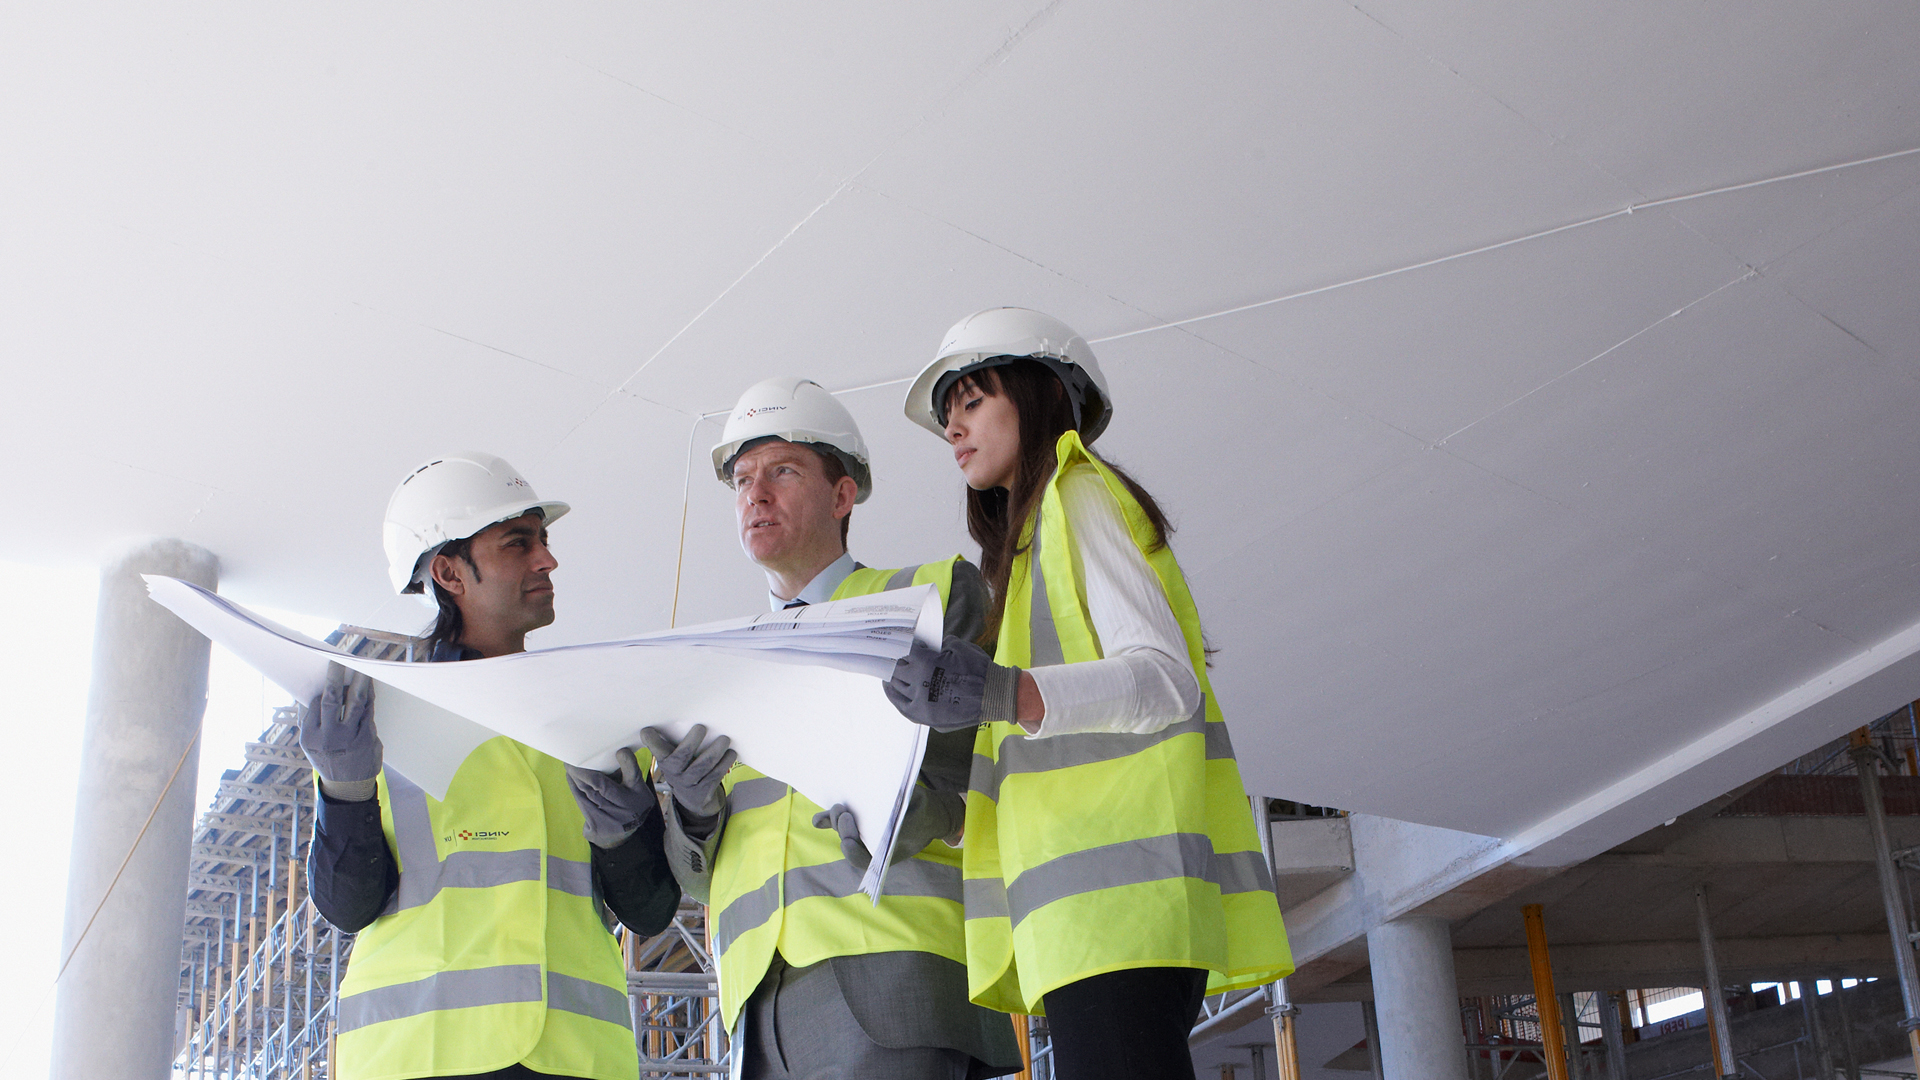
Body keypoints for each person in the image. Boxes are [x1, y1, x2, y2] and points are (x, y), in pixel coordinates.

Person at [889, 309, 1294, 1080]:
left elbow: (1165, 680)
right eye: (947, 416)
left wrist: (1007, 692)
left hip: (1119, 916)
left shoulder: (1076, 495)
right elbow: (1039, 771)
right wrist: (946, 816)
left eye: (971, 400)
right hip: (1091, 923)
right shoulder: (1027, 554)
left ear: (1041, 393)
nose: (953, 429)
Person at [644, 378, 1022, 1080]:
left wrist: (916, 811)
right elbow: (697, 881)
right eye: (743, 480)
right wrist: (692, 816)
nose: (756, 495)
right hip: (757, 1007)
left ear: (843, 496)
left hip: (895, 971)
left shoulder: (929, 598)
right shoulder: (718, 664)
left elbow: (981, 780)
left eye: (783, 472)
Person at [303, 451, 680, 1080]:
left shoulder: (594, 720)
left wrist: (626, 837)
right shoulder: (379, 721)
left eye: (544, 541)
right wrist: (344, 789)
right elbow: (347, 907)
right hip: (421, 1056)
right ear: (449, 572)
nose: (547, 560)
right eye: (518, 543)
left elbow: (648, 912)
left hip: (573, 1056)